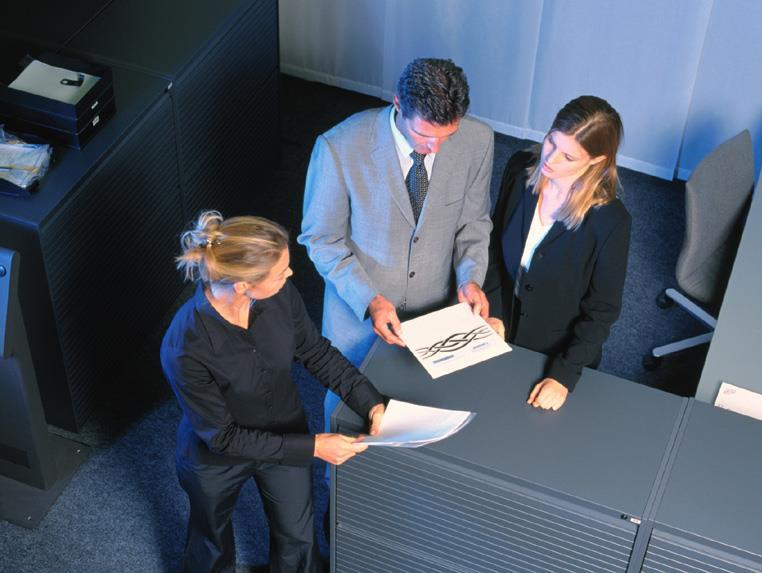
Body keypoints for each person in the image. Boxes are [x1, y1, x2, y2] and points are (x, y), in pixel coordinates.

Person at [160, 211, 385, 573]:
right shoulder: (184, 345)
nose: (290, 275)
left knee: (299, 538)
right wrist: (313, 447)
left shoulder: (280, 296)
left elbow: (314, 351)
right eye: (281, 272)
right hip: (217, 453)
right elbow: (223, 437)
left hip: (285, 428)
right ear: (243, 286)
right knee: (211, 544)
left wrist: (368, 400)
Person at [297, 58, 494, 432]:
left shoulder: (478, 140)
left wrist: (470, 279)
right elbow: (321, 239)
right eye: (425, 136)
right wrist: (369, 300)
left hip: (433, 309)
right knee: (348, 415)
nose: (435, 148)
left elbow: (473, 222)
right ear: (398, 105)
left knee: (424, 412)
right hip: (358, 316)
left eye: (446, 136)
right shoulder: (339, 147)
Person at [484, 96, 631, 412]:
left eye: (568, 156)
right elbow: (494, 244)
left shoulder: (610, 222)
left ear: (596, 160)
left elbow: (602, 310)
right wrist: (494, 310)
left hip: (555, 354)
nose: (550, 159)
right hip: (499, 328)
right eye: (551, 141)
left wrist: (563, 376)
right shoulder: (520, 168)